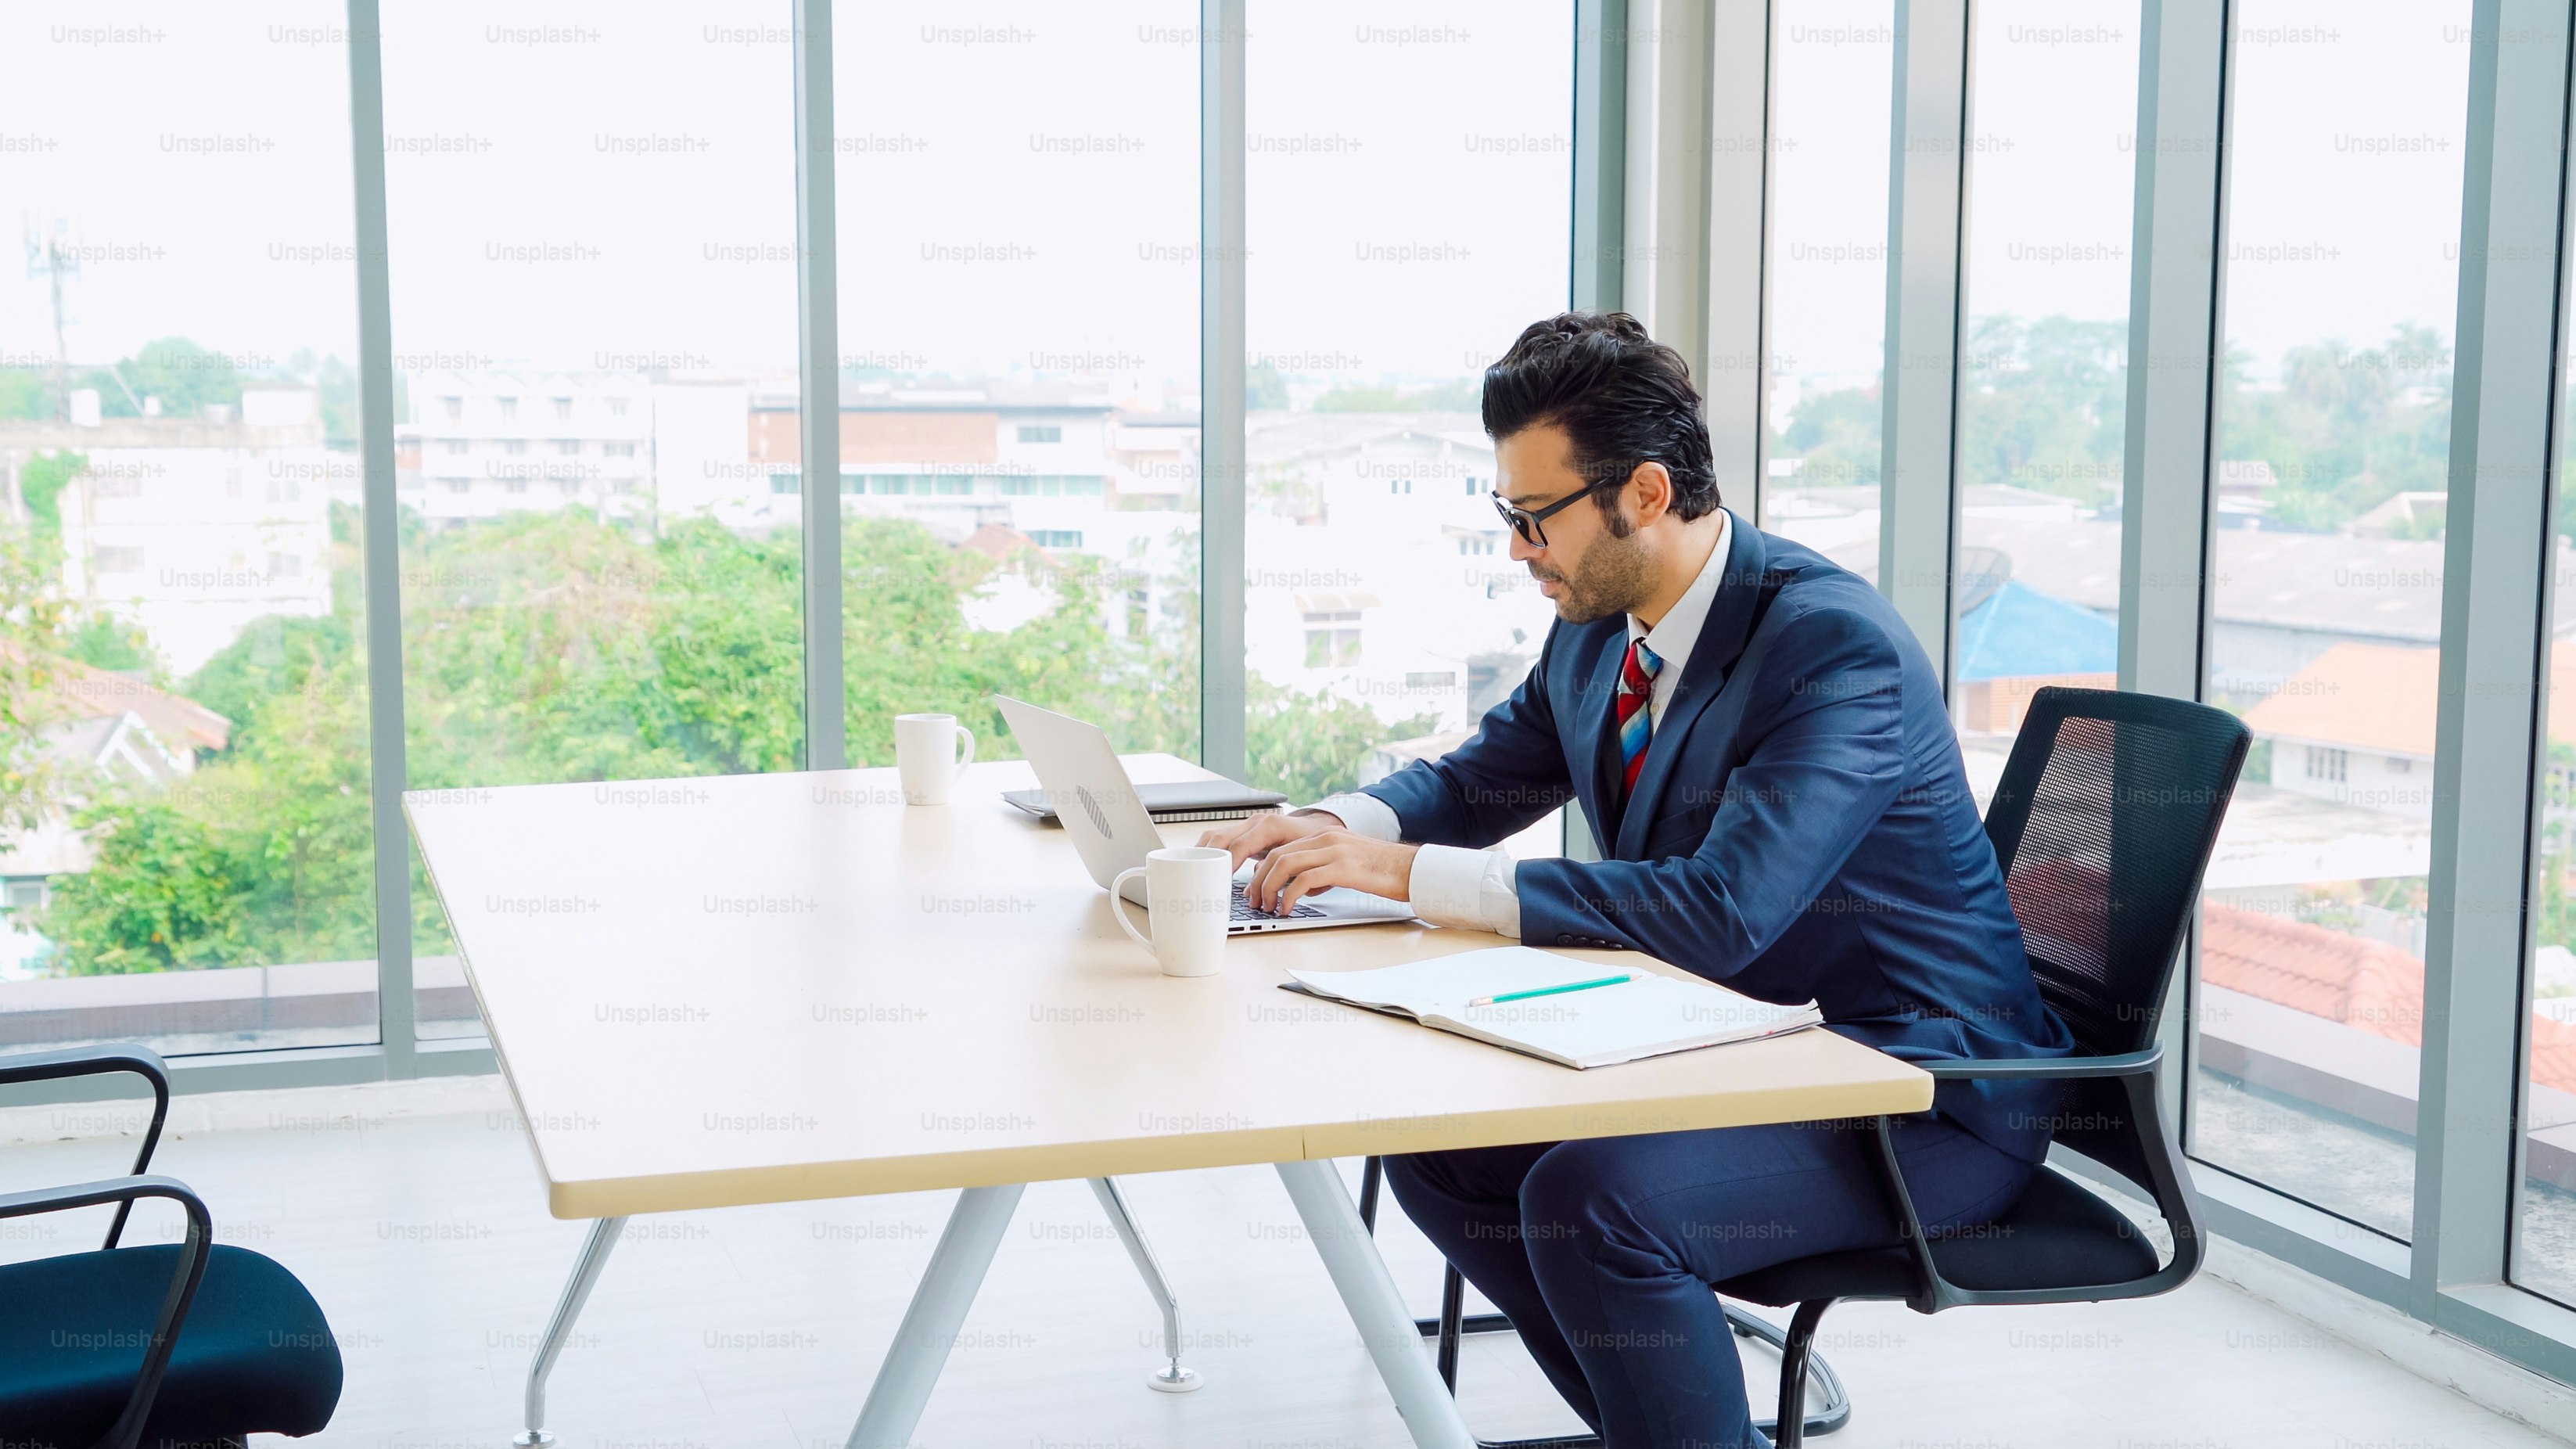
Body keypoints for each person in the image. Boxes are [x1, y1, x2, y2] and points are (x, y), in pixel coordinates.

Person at [1202, 311, 2074, 1449]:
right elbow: (1479, 780)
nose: (1519, 549)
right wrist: (1319, 828)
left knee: (1591, 1204)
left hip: (1918, 1090)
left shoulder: (1828, 649)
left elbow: (1721, 912)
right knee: (1444, 1153)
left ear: (1645, 494)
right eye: (1504, 516)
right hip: (1750, 1048)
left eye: (1533, 518)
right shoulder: (1599, 620)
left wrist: (1403, 874)